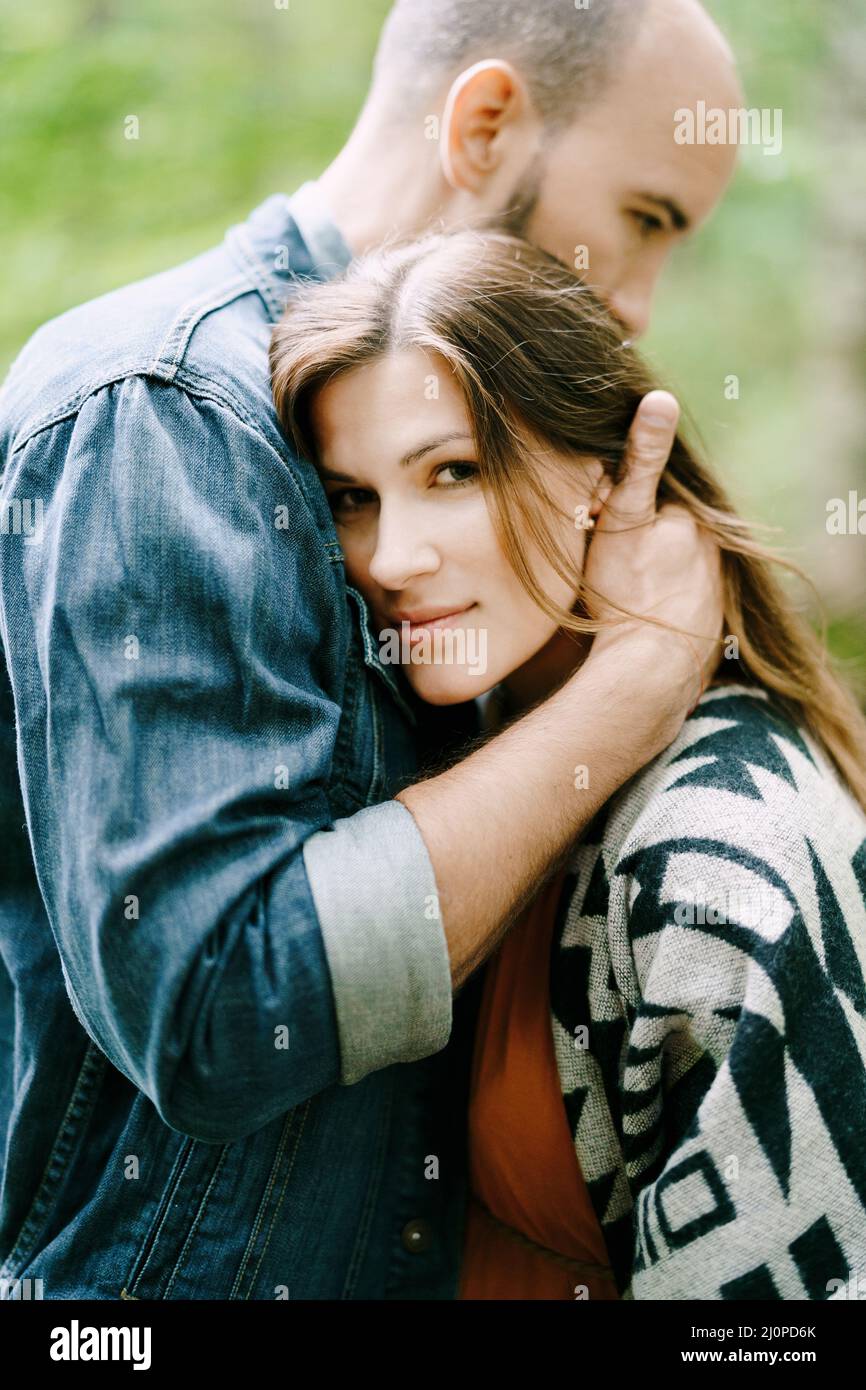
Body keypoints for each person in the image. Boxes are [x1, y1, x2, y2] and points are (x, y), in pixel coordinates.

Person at [0, 0, 736, 1299]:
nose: (633, 299)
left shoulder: (470, 450)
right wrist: (622, 695)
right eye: (644, 216)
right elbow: (216, 1005)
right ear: (488, 124)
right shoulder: (167, 416)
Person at [268, 228, 866, 1301]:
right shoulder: (442, 747)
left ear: (600, 469)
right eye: (350, 497)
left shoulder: (719, 857)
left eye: (452, 472)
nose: (391, 559)